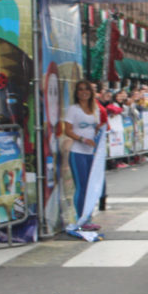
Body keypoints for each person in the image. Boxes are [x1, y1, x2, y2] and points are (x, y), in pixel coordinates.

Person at [63, 80, 105, 231]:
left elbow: (96, 128)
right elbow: (67, 130)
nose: (83, 92)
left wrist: (98, 135)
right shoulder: (73, 109)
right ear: (76, 93)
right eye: (80, 90)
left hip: (90, 154)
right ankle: (81, 219)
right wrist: (81, 139)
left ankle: (87, 217)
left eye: (86, 89)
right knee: (81, 186)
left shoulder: (95, 109)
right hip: (77, 152)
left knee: (90, 187)